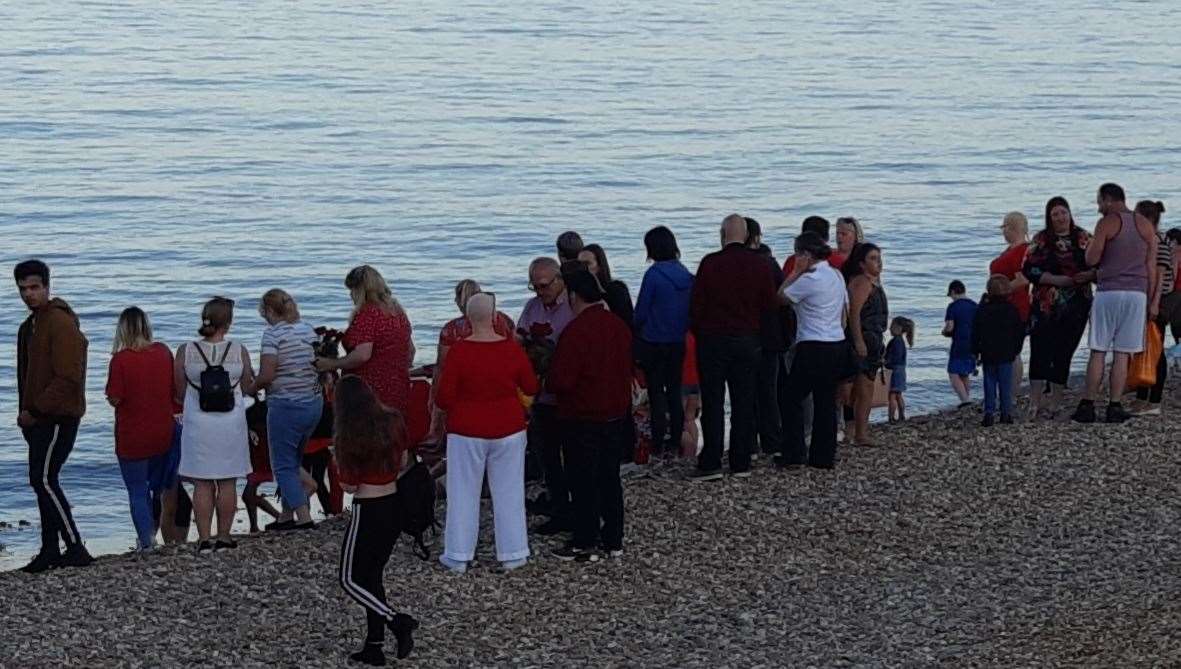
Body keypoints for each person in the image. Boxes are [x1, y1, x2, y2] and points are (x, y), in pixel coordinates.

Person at [435, 293, 539, 573]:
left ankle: (458, 554)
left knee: (462, 491)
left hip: (466, 429)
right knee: (509, 490)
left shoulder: (459, 351)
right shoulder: (510, 349)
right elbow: (530, 386)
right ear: (495, 318)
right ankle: (513, 553)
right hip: (508, 428)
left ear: (467, 320)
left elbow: (443, 398)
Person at [546, 269, 633, 561]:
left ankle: (585, 538)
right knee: (610, 476)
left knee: (583, 479)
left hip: (582, 415)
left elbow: (562, 381)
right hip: (615, 413)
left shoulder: (577, 331)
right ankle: (614, 538)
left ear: (573, 296)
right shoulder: (618, 325)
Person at [14, 259, 93, 573]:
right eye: (22, 289)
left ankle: (75, 546)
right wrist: (26, 412)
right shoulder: (30, 326)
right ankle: (49, 549)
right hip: (37, 418)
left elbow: (68, 376)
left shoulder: (59, 322)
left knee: (43, 479)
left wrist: (36, 409)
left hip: (58, 416)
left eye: (34, 287)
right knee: (44, 480)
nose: (28, 294)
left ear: (47, 286)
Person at [333, 375, 418, 666]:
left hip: (368, 506)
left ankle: (397, 621)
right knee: (372, 575)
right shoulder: (392, 419)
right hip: (394, 503)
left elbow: (349, 485)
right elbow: (405, 460)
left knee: (349, 578)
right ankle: (374, 643)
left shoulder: (350, 432)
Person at [688, 214, 778, 481]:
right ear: (748, 235)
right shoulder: (760, 265)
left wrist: (700, 332)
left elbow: (697, 305)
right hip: (748, 340)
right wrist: (767, 342)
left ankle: (711, 460)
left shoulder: (710, 263)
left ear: (723, 234)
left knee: (714, 402)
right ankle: (740, 461)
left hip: (714, 340)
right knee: (744, 401)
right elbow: (769, 306)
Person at [175, 296, 256, 554]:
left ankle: (204, 538)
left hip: (198, 422)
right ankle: (224, 535)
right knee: (228, 481)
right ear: (228, 323)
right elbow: (247, 386)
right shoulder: (238, 350)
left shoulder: (186, 351)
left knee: (202, 482)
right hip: (230, 422)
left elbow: (179, 391)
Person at [1072, 183, 1158, 424]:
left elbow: (1092, 258)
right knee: (1122, 353)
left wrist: (1092, 248)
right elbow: (1151, 267)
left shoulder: (1108, 223)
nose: (1099, 207)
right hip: (1137, 294)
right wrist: (1152, 300)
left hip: (1109, 291)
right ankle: (1115, 405)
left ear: (1109, 200)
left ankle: (1088, 404)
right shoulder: (1145, 225)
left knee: (1099, 349)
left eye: (1099, 202)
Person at [105, 307, 178, 554]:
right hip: (163, 431)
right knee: (156, 488)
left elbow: (115, 397)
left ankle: (147, 542)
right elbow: (174, 389)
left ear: (122, 329)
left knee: (137, 490)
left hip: (133, 435)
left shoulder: (121, 360)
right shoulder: (163, 352)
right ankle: (154, 531)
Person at [252, 289, 324, 530]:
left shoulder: (272, 335)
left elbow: (268, 374)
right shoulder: (308, 330)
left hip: (286, 404)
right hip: (313, 402)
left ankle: (303, 518)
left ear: (269, 311)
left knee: (283, 464)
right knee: (294, 457)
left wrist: (250, 388)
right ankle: (285, 515)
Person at [778, 232, 848, 470]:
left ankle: (794, 452)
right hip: (835, 341)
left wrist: (795, 272)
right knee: (825, 401)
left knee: (790, 398)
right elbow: (843, 312)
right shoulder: (836, 275)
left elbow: (781, 297)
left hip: (813, 344)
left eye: (798, 254)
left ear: (806, 255)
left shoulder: (809, 280)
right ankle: (823, 456)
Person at [1022, 196, 1095, 419]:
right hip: (1045, 305)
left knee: (1064, 352)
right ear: (1049, 217)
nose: (1061, 217)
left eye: (1063, 212)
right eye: (1055, 214)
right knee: (1040, 351)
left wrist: (1091, 275)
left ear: (1070, 213)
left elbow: (1102, 264)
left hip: (1077, 303)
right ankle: (1034, 403)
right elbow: (1027, 268)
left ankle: (1054, 404)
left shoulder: (1083, 237)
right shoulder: (1041, 239)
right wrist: (1052, 279)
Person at [517, 257, 575, 534]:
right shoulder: (532, 307)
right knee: (547, 454)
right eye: (534, 286)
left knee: (574, 455)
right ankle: (558, 505)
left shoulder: (574, 306)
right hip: (540, 395)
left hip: (569, 394)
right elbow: (519, 339)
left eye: (543, 285)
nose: (539, 292)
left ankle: (576, 507)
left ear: (559, 280)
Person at [316, 265, 415, 415]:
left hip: (368, 392)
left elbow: (362, 355)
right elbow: (410, 351)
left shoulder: (368, 314)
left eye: (352, 290)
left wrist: (331, 364)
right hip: (398, 388)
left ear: (360, 290)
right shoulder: (398, 312)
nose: (350, 295)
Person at [634, 226, 694, 457]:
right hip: (677, 340)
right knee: (675, 391)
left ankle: (658, 443)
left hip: (654, 341)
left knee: (657, 393)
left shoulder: (654, 275)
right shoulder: (686, 274)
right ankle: (675, 440)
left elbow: (641, 312)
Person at [430, 279, 515, 440]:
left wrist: (435, 403)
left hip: (466, 396)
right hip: (501, 392)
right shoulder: (504, 321)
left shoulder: (452, 330)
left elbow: (442, 367)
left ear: (458, 301)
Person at [746, 217, 787, 458]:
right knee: (768, 392)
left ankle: (750, 442)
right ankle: (771, 441)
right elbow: (782, 301)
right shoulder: (770, 265)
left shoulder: (742, 266)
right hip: (770, 337)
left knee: (747, 392)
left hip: (748, 335)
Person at [843, 243, 888, 446]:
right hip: (863, 340)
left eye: (878, 257)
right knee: (861, 388)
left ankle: (858, 432)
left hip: (874, 339)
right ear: (862, 264)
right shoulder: (861, 283)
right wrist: (859, 341)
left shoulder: (874, 283)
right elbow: (853, 315)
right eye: (872, 258)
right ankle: (859, 433)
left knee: (864, 388)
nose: (878, 262)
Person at [972, 276, 1026, 426]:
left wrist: (975, 351)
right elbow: (1019, 331)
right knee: (1005, 384)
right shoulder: (1011, 310)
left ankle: (989, 413)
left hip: (988, 352)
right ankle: (1005, 413)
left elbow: (976, 332)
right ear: (1008, 292)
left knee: (989, 382)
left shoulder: (982, 310)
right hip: (1006, 352)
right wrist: (1016, 348)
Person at [1134, 200, 1171, 414]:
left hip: (1158, 302)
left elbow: (1160, 276)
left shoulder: (1158, 242)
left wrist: (1154, 303)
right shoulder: (1150, 241)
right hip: (1148, 299)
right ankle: (1142, 396)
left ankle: (1153, 400)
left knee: (1156, 350)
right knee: (1144, 347)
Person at [990, 212, 1032, 396]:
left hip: (1015, 308)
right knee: (1007, 350)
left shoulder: (1020, 251)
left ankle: (1012, 392)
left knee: (1013, 351)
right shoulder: (1011, 250)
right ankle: (1007, 391)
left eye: (1004, 227)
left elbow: (1023, 279)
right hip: (1004, 307)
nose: (1003, 231)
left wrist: (1002, 291)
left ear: (1013, 228)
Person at [578, 244, 634, 329]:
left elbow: (625, 322)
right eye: (580, 264)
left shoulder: (617, 291)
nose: (583, 268)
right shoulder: (577, 293)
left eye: (587, 264)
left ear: (600, 266)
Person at [943, 280, 978, 407]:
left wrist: (944, 332)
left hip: (959, 342)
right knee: (964, 373)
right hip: (974, 343)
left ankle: (964, 400)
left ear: (953, 292)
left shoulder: (953, 307)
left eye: (950, 295)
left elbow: (950, 327)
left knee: (953, 372)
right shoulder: (974, 305)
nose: (951, 298)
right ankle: (967, 398)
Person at [884, 317, 915, 423]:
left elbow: (894, 358)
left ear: (899, 328)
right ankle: (901, 415)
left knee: (892, 395)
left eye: (892, 326)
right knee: (898, 395)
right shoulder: (901, 341)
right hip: (901, 370)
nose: (890, 328)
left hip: (895, 370)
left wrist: (885, 362)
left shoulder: (895, 341)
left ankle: (891, 417)